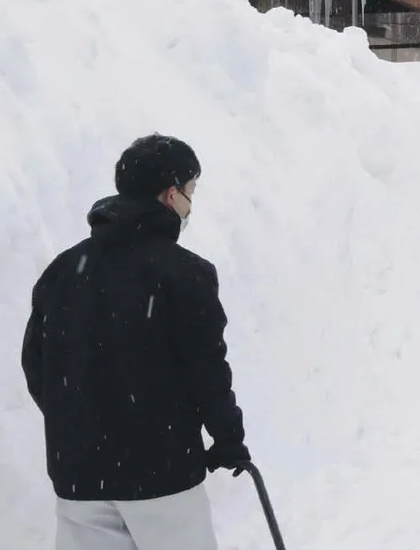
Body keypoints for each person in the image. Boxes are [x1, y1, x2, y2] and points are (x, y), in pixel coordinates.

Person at [21, 133, 250, 550]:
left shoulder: (63, 270)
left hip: (79, 477)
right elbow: (206, 370)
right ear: (170, 194)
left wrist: (81, 420)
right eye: (190, 191)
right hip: (161, 477)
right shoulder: (185, 274)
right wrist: (228, 437)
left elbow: (37, 364)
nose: (190, 203)